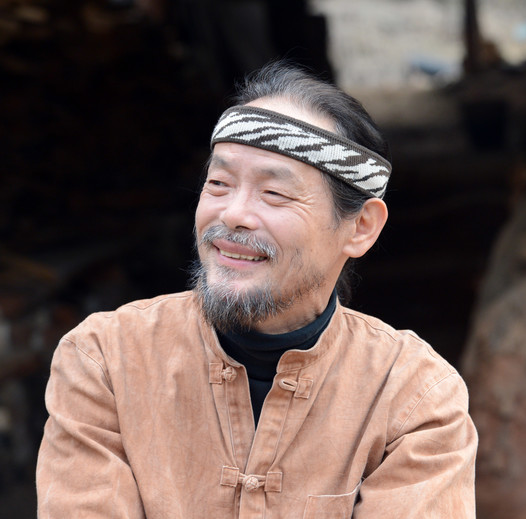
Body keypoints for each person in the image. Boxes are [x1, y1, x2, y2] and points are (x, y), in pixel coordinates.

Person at [36, 61, 478, 518]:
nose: (233, 214)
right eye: (219, 184)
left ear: (361, 227)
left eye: (274, 194)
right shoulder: (106, 359)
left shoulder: (412, 394)